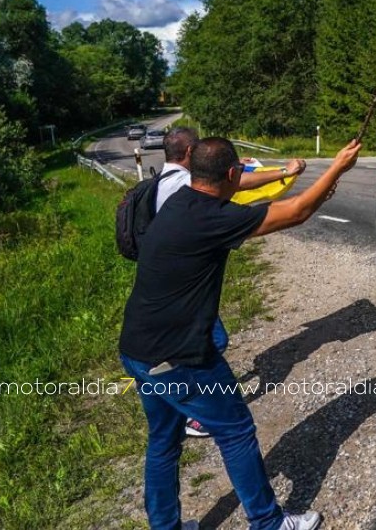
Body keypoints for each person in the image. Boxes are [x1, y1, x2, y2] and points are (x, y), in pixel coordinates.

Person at [119, 136, 361, 530]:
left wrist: (310, 184)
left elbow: (285, 207)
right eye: (241, 174)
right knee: (235, 432)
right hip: (179, 358)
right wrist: (336, 166)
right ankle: (267, 523)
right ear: (232, 173)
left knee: (163, 443)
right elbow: (296, 211)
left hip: (136, 350)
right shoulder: (212, 218)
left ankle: (166, 527)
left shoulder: (181, 201)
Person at [156, 126, 307, 438]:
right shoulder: (187, 184)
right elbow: (248, 189)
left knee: (162, 436)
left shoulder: (163, 181)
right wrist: (284, 171)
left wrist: (239, 165)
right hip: (186, 290)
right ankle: (196, 413)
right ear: (188, 155)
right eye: (197, 150)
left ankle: (179, 402)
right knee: (213, 344)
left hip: (164, 284)